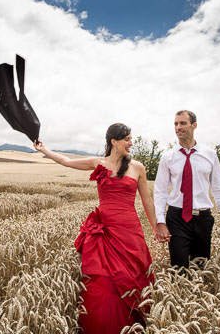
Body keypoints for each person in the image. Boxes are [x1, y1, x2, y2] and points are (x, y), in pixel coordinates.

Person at [33, 123, 157, 334]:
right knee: (102, 283)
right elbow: (66, 161)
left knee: (134, 278)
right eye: (126, 139)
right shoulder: (96, 163)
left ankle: (135, 326)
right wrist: (44, 149)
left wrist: (156, 228)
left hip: (129, 231)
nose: (130, 143)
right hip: (105, 232)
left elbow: (147, 201)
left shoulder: (138, 167)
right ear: (113, 142)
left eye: (130, 138)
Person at [153, 110, 220, 269]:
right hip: (177, 218)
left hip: (203, 219)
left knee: (200, 268)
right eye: (175, 124)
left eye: (182, 123)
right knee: (178, 268)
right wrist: (160, 221)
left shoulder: (210, 155)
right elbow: (160, 191)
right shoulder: (167, 157)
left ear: (194, 125)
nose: (178, 127)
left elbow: (219, 190)